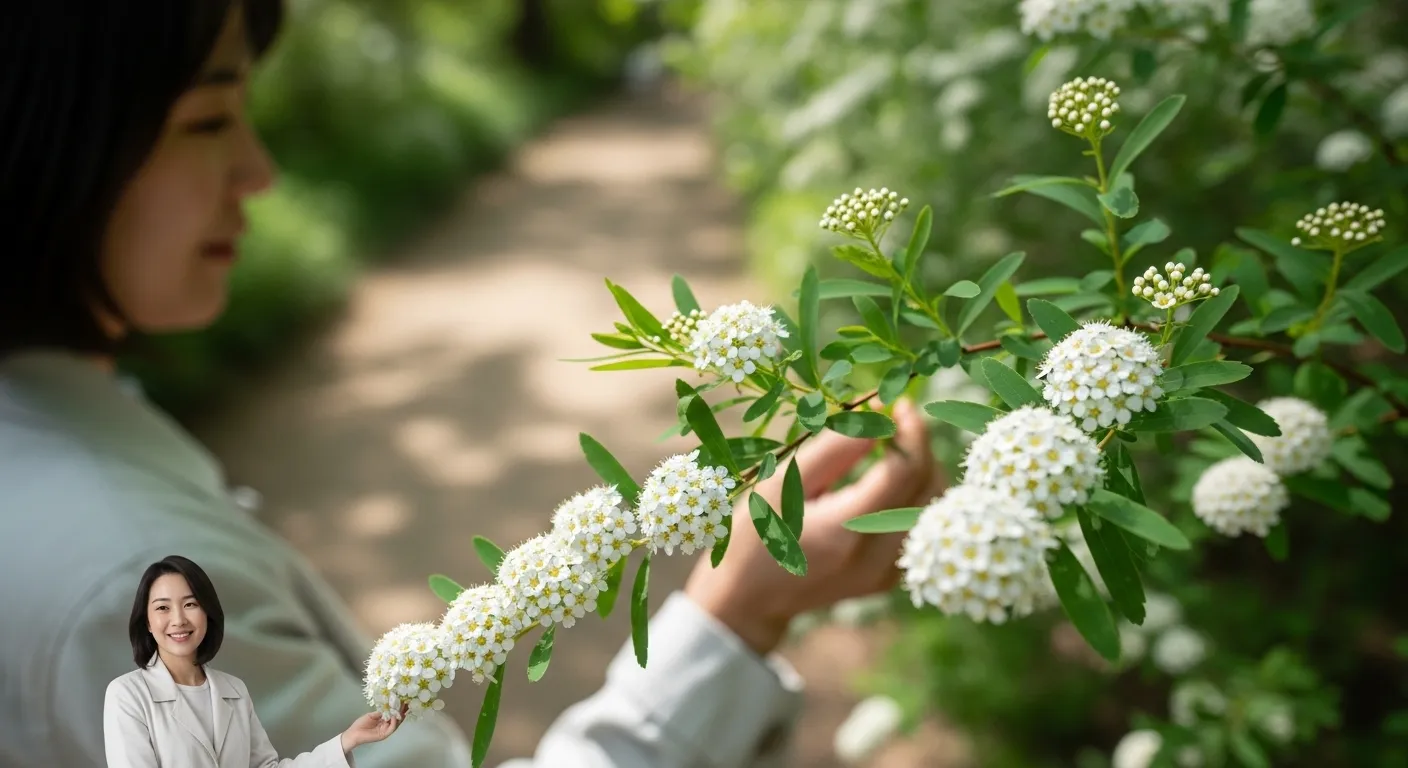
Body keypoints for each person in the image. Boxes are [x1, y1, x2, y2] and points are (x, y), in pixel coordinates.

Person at [0, 1, 942, 767]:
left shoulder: (54, 459)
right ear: (38, 139)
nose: (259, 170)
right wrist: (737, 618)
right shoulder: (129, 584)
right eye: (208, 120)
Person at [105, 556, 404, 767]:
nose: (178, 620)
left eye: (190, 604)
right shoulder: (128, 695)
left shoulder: (233, 690)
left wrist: (347, 740)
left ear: (207, 613)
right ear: (146, 621)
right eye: (162, 608)